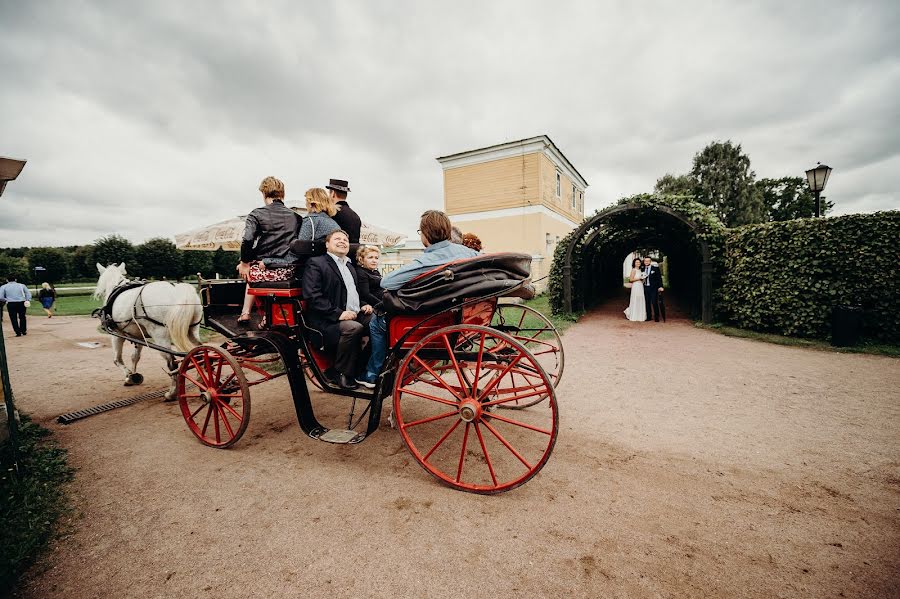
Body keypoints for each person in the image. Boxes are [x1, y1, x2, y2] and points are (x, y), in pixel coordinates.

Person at [357, 210, 477, 388]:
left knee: (377, 321)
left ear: (426, 234)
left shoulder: (427, 260)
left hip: (432, 315)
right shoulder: (468, 253)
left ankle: (374, 373)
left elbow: (387, 281)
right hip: (462, 309)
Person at [302, 229, 373, 390]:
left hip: (353, 313)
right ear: (327, 244)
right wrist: (339, 314)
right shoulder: (317, 263)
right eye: (337, 239)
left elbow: (351, 293)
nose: (342, 241)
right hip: (325, 319)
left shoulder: (349, 265)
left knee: (379, 322)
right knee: (354, 328)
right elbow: (312, 296)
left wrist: (363, 304)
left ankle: (363, 367)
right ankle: (340, 373)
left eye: (345, 239)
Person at [236, 176, 302, 325]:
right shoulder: (296, 217)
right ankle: (268, 314)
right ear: (282, 194)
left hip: (267, 272)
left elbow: (247, 240)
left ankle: (246, 313)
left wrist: (244, 263)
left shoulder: (256, 214)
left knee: (249, 272)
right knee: (253, 270)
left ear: (264, 194)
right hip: (289, 271)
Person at [327, 179, 361, 261]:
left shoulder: (333, 213)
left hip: (337, 258)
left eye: (329, 193)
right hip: (352, 259)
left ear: (333, 194)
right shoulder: (355, 215)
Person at [642, 256, 664, 322]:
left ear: (650, 261)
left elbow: (659, 278)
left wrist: (660, 286)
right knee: (647, 302)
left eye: (648, 261)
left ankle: (656, 317)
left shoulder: (655, 268)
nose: (647, 262)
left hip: (653, 288)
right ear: (644, 262)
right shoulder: (642, 268)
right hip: (645, 287)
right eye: (645, 261)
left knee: (654, 302)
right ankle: (649, 317)